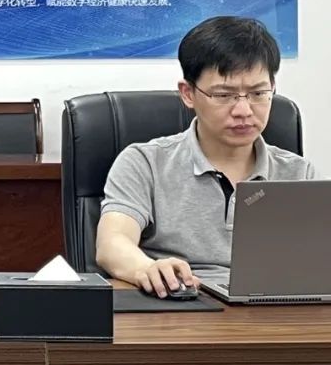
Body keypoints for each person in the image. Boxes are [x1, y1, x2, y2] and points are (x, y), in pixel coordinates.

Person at [96, 16, 317, 297]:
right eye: (224, 95)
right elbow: (112, 243)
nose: (243, 110)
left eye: (258, 93)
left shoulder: (299, 174)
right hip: (181, 304)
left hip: (274, 310)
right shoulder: (144, 163)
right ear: (188, 93)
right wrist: (147, 268)